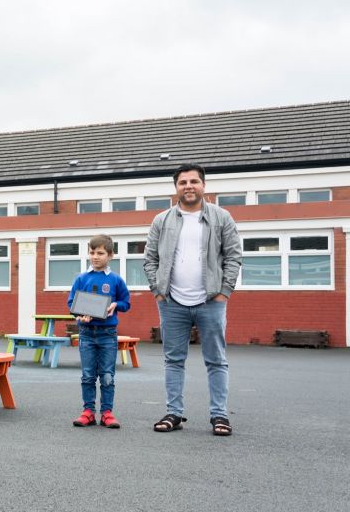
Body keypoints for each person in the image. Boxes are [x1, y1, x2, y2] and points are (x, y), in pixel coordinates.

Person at [143, 163, 242, 436]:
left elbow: (234, 257)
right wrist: (159, 291)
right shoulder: (161, 220)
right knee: (173, 360)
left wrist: (224, 293)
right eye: (183, 182)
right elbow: (150, 258)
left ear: (203, 186)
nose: (188, 186)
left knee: (216, 360)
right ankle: (174, 413)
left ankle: (219, 416)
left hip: (211, 301)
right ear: (176, 187)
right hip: (172, 302)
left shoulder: (222, 217)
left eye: (194, 182)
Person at [68, 235, 131, 429]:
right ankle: (88, 412)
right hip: (86, 333)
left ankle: (107, 413)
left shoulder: (116, 280)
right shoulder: (81, 278)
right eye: (92, 252)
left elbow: (126, 303)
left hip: (108, 334)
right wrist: (78, 315)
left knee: (107, 375)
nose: (95, 257)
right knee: (87, 375)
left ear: (110, 255)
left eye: (100, 253)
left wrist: (115, 304)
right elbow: (72, 303)